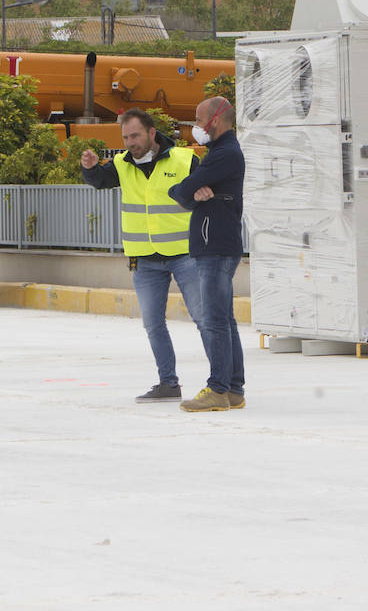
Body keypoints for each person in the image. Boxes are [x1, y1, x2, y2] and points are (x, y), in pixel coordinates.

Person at [81, 109, 203, 403]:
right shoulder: (122, 164)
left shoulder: (185, 160)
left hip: (185, 254)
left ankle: (222, 382)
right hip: (145, 259)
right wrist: (90, 168)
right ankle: (168, 383)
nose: (130, 142)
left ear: (151, 133)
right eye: (125, 137)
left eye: (135, 136)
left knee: (205, 318)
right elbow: (100, 181)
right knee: (153, 323)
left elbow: (207, 191)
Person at [168, 96, 246, 412]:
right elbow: (183, 192)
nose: (197, 126)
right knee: (224, 319)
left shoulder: (224, 153)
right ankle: (234, 389)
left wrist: (191, 191)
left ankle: (218, 389)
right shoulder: (219, 153)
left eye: (200, 119)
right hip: (217, 244)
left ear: (215, 119)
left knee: (214, 320)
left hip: (215, 246)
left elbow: (185, 189)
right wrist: (192, 192)